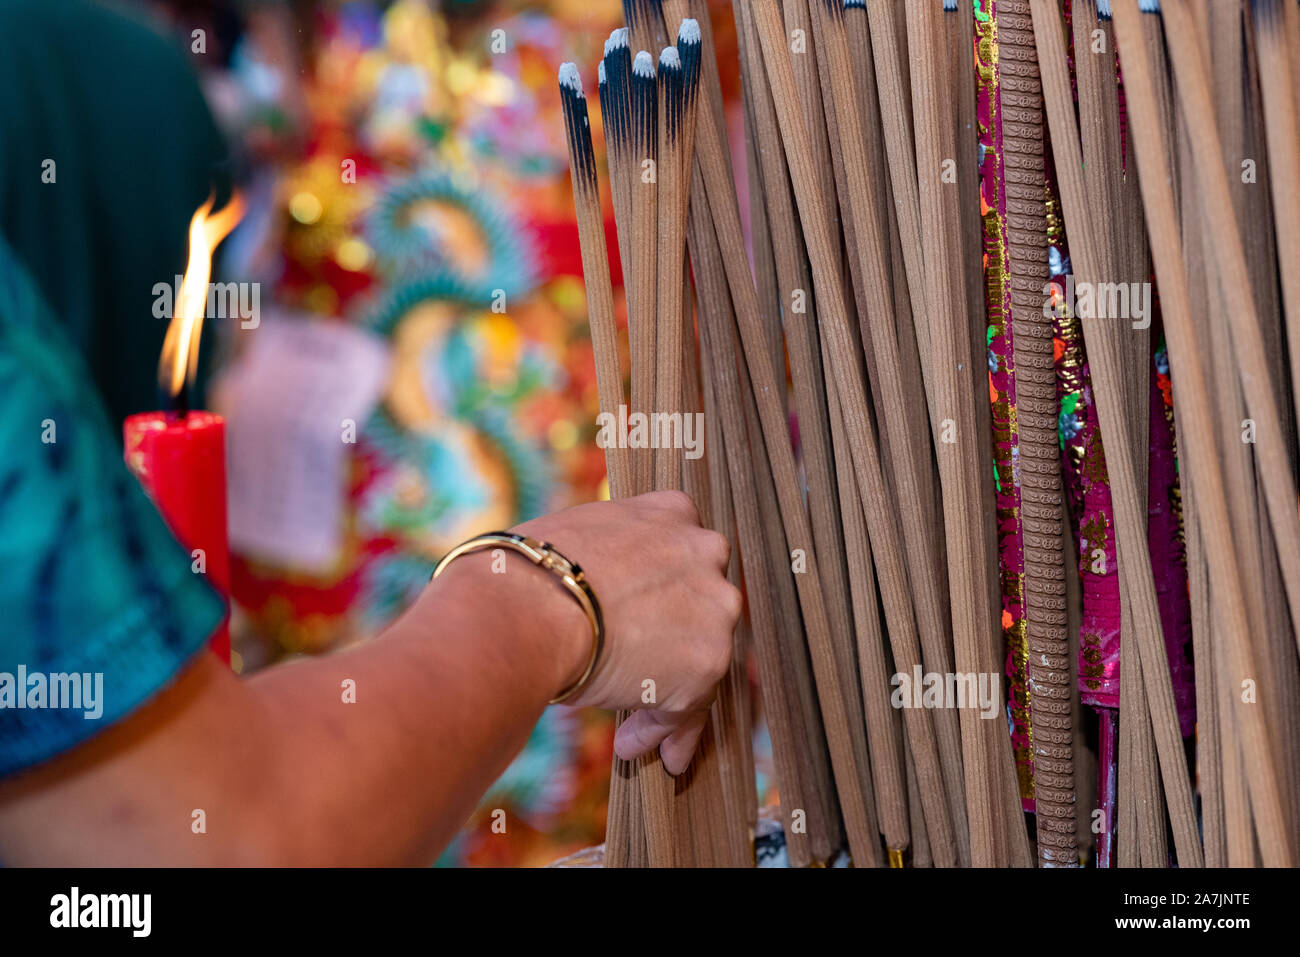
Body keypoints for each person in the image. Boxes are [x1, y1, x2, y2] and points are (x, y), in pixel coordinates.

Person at [0, 0, 741, 865]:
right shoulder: (196, 63)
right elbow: (201, 833)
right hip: (344, 664)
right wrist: (551, 600)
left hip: (604, 615)